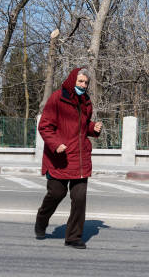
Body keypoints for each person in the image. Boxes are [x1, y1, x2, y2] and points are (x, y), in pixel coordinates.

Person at [34, 67, 102, 249]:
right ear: (73, 80)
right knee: (56, 193)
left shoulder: (86, 101)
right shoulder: (57, 98)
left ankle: (73, 237)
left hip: (80, 158)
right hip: (60, 157)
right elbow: (45, 126)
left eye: (86, 83)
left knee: (79, 199)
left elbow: (83, 126)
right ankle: (41, 221)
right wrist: (56, 144)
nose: (83, 85)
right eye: (80, 81)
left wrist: (92, 128)